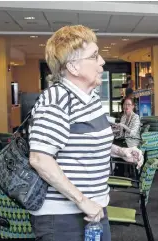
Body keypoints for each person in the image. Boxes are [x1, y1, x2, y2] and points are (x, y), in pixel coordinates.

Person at [28, 25, 143, 241]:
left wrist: (121, 152)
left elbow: (86, 143)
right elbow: (40, 158)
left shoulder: (90, 99)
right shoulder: (56, 100)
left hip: (94, 209)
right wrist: (82, 201)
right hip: (63, 218)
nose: (102, 63)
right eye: (94, 56)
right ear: (73, 67)